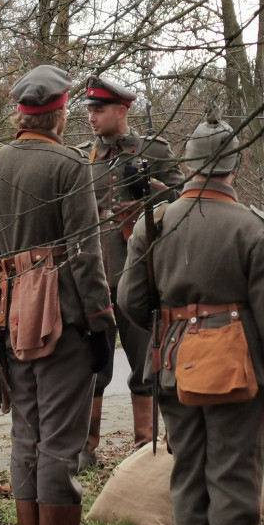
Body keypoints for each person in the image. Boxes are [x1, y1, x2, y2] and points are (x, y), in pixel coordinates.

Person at [118, 108, 264, 525]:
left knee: (188, 477)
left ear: (191, 166)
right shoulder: (253, 228)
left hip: (173, 367)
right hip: (235, 373)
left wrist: (173, 320)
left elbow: (130, 300)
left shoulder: (155, 224)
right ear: (232, 168)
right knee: (234, 479)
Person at [0, 64, 116, 525]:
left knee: (25, 436)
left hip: (10, 315)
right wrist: (101, 323)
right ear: (58, 111)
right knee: (58, 442)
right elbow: (85, 253)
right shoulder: (69, 165)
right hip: (63, 318)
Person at [77, 75, 184, 469]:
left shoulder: (153, 150)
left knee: (145, 363)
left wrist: (152, 188)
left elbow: (185, 201)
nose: (92, 117)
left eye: (99, 110)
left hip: (138, 277)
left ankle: (145, 447)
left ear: (122, 111)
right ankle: (85, 449)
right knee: (94, 364)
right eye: (89, 110)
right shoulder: (84, 158)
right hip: (95, 279)